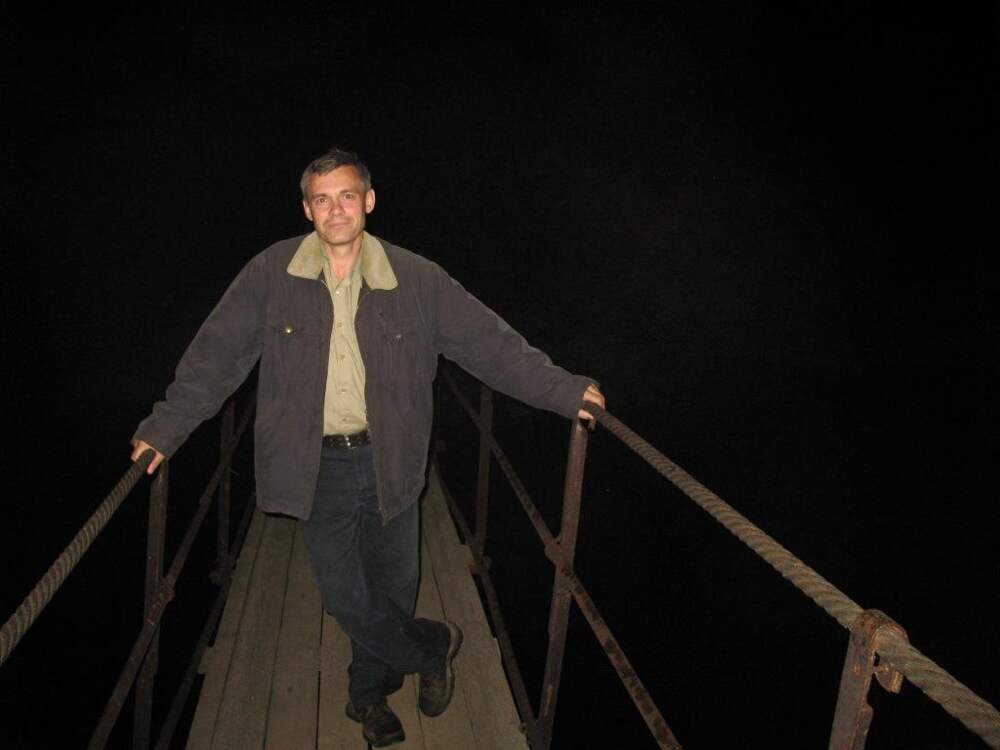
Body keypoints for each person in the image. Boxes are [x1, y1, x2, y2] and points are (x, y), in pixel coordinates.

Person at [131, 148, 604, 747]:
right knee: (344, 594)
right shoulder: (270, 273)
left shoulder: (417, 278)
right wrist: (168, 426)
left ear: (369, 201)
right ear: (307, 209)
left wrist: (562, 391)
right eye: (322, 199)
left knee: (393, 587)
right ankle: (433, 648)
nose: (336, 210)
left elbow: (490, 344)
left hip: (392, 459)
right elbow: (215, 357)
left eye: (347, 196)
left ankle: (367, 696)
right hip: (317, 463)